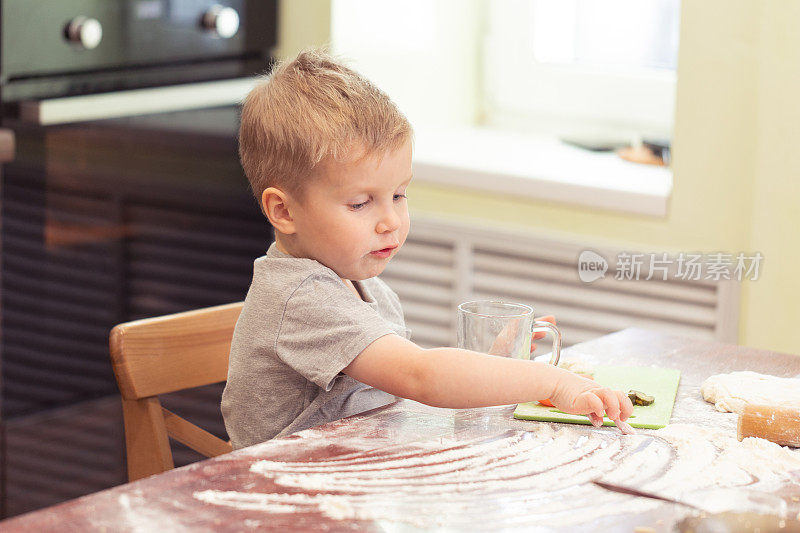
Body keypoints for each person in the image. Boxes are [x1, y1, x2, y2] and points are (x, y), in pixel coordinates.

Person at [221, 49, 633, 449]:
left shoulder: (361, 287)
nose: (391, 221)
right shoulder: (300, 297)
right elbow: (421, 377)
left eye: (399, 195)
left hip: (352, 483)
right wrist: (553, 382)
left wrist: (499, 365)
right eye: (360, 203)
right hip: (285, 501)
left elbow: (398, 398)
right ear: (284, 210)